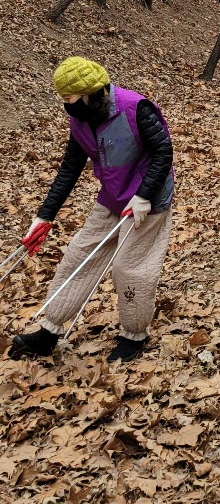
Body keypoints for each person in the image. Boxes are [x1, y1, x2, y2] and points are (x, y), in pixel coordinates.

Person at [11, 58, 174, 364]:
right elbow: (70, 168)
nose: (66, 103)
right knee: (78, 253)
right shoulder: (81, 118)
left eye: (69, 97)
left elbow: (163, 150)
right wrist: (45, 215)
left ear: (89, 93)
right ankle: (49, 331)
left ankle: (134, 336)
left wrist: (144, 196)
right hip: (112, 197)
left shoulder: (135, 108)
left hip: (148, 199)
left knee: (129, 267)